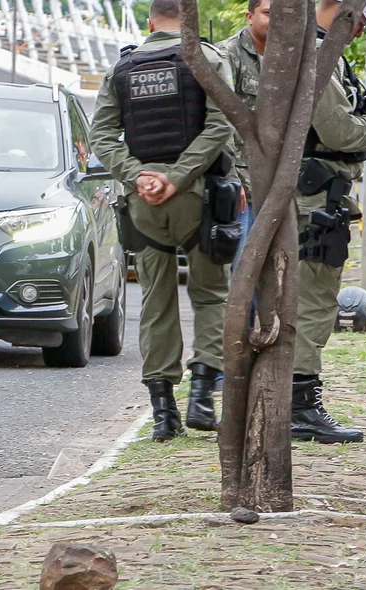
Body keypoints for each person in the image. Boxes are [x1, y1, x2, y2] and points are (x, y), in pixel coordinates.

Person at [89, 0, 235, 442]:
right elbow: (221, 124)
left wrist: (139, 177)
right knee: (210, 296)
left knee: (156, 300)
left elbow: (101, 136)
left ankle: (163, 414)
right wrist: (177, 176)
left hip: (143, 204)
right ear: (187, 20)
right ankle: (203, 398)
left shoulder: (122, 70)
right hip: (198, 198)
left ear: (150, 23)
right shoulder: (207, 58)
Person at [292, 0, 366, 444]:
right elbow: (339, 132)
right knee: (315, 300)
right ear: (339, 9)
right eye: (360, 20)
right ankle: (300, 405)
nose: (361, 30)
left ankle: (299, 399)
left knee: (313, 296)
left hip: (322, 193)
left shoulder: (324, 54)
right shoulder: (318, 56)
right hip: (315, 197)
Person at [218, 0, 270, 263]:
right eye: (267, 13)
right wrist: (230, 178)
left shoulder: (286, 55)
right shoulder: (228, 54)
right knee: (240, 269)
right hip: (239, 183)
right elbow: (218, 118)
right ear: (250, 16)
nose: (274, 21)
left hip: (272, 181)